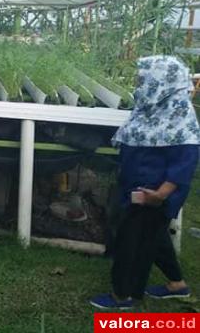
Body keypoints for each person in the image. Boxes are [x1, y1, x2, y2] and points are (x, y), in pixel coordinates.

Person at [90, 55, 200, 310]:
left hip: (153, 193)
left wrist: (160, 195)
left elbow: (185, 161)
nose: (139, 84)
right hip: (137, 189)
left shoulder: (179, 115)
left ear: (162, 82)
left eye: (144, 79)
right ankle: (177, 284)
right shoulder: (152, 108)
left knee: (132, 243)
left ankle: (124, 295)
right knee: (154, 237)